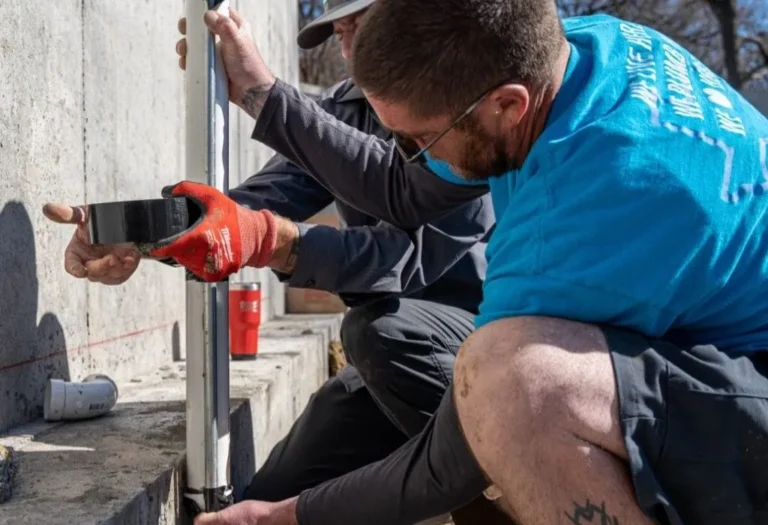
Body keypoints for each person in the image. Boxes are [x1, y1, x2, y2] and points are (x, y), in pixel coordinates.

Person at [160, 1, 768, 525]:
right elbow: (402, 187)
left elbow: (454, 457)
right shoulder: (572, 52)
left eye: (416, 140)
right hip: (693, 353)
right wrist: (256, 97)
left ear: (507, 105)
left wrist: (291, 516)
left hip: (749, 389)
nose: (406, 153)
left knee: (516, 392)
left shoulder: (584, 208)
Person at [43, 1, 511, 524]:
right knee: (267, 500)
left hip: (478, 349)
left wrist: (270, 235)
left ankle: (506, 497)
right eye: (340, 33)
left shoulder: (462, 107)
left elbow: (402, 259)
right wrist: (134, 234)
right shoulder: (347, 109)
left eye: (363, 25)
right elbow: (244, 207)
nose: (352, 49)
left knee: (381, 330)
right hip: (387, 365)